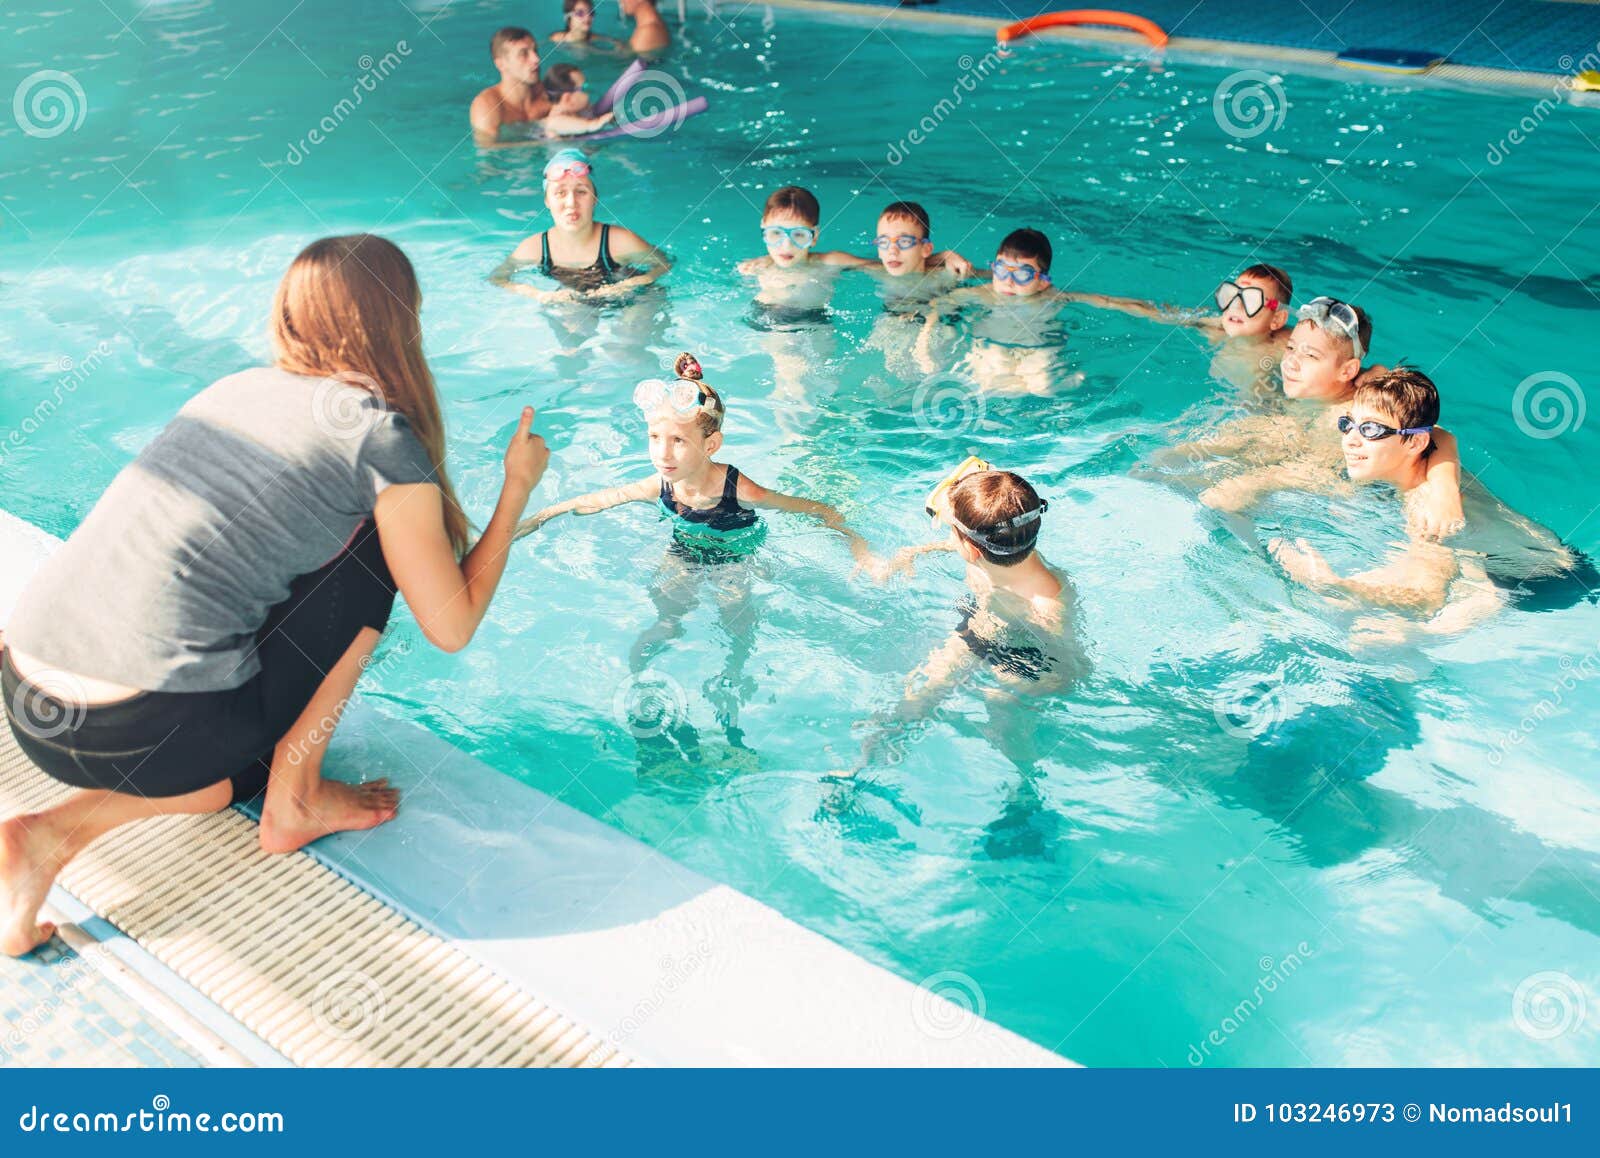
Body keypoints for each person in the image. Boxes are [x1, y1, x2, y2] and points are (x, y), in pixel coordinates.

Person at [0, 235, 549, 957]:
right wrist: (517, 488)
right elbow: (451, 624)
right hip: (140, 722)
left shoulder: (230, 389)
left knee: (248, 769)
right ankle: (299, 799)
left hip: (29, 696)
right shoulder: (377, 439)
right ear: (399, 323)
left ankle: (48, 835)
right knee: (374, 558)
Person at [1268, 368, 1591, 642]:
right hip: (1535, 554)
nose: (1351, 439)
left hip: (1539, 580)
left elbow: (1426, 595)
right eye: (1348, 424)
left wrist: (1334, 585)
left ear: (1414, 442)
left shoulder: (1427, 509)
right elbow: (1439, 432)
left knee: (1386, 632)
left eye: (1371, 430)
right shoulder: (1432, 462)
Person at [842, 465, 1086, 777]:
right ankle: (867, 762)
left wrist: (1014, 690)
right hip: (983, 624)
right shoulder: (1009, 540)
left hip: (1018, 653)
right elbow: (989, 522)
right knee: (920, 696)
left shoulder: (1047, 604)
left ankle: (1024, 785)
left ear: (969, 549)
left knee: (1005, 725)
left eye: (950, 532)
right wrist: (916, 551)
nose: (948, 538)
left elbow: (1067, 668)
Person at [1189, 298, 1466, 538]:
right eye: (1290, 349)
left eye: (1309, 355)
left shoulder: (1357, 408)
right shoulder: (1304, 379)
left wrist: (1445, 490)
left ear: (1348, 371)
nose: (1291, 362)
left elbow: (1434, 434)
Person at [1064, 262, 1295, 391]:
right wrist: (1078, 298)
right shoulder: (1213, 329)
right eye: (1231, 296)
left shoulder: (1288, 344)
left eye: (1251, 300)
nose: (1236, 307)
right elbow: (1152, 311)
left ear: (1277, 319)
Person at [490, 149, 669, 303]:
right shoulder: (534, 248)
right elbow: (498, 279)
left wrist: (629, 284)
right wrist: (537, 294)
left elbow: (664, 265)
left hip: (634, 298)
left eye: (581, 192)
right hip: (577, 305)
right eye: (560, 193)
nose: (571, 202)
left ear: (595, 199)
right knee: (569, 318)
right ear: (547, 201)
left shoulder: (620, 242)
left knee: (632, 332)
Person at [918, 228, 1075, 396]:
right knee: (989, 380)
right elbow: (938, 304)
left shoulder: (1051, 297)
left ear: (1043, 283)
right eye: (1001, 270)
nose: (1008, 281)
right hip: (993, 344)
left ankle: (1072, 379)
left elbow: (1100, 301)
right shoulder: (984, 293)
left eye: (1022, 274)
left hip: (1038, 347)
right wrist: (923, 345)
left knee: (1042, 387)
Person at [470, 26, 611, 145]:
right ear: (501, 64)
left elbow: (588, 113)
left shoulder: (550, 93)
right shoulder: (488, 106)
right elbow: (489, 151)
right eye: (524, 54)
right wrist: (544, 142)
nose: (536, 59)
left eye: (535, 51)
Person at [550, 0, 625, 51]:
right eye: (580, 13)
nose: (587, 17)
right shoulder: (556, 39)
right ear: (568, 17)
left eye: (591, 13)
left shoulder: (594, 38)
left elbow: (619, 44)